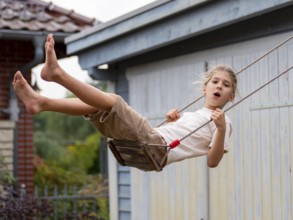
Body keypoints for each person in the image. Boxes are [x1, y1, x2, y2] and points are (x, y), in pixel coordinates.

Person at [13, 34, 237, 170]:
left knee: (114, 101)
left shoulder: (223, 121)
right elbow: (181, 138)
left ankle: (58, 74)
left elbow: (212, 161)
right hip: (152, 143)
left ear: (232, 96)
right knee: (99, 104)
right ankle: (41, 103)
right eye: (215, 81)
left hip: (156, 148)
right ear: (204, 88)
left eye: (226, 85)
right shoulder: (194, 115)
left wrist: (220, 128)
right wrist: (171, 122)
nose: (219, 86)